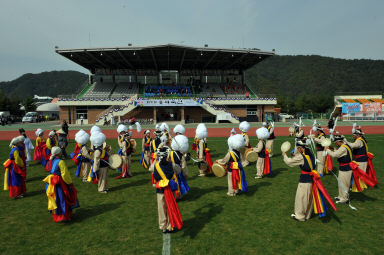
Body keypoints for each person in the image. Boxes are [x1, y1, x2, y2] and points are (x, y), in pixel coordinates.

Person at [282, 140, 336, 221]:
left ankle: (300, 216)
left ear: (301, 148)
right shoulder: (312, 156)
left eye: (298, 148)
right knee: (309, 198)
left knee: (301, 198)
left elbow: (289, 162)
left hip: (304, 180)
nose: (298, 150)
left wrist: (284, 155)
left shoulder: (301, 157)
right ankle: (307, 215)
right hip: (311, 180)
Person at [325, 134, 376, 204]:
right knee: (341, 182)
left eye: (336, 142)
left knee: (344, 184)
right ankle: (340, 196)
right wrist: (333, 149)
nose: (336, 144)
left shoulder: (343, 148)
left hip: (345, 168)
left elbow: (335, 155)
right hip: (344, 167)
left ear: (339, 141)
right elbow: (339, 152)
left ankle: (344, 199)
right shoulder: (345, 146)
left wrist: (327, 150)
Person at [152, 146, 183, 233]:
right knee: (170, 207)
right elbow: (179, 170)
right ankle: (170, 225)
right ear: (167, 155)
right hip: (170, 189)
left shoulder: (156, 165)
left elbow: (153, 173)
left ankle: (163, 226)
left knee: (161, 208)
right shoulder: (171, 164)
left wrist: (155, 160)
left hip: (160, 190)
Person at [43, 147, 79, 222]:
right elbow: (65, 174)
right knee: (63, 197)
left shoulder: (49, 161)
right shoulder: (60, 162)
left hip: (52, 183)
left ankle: (57, 216)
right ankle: (65, 216)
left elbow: (48, 170)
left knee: (56, 198)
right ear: (59, 153)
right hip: (60, 182)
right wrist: (69, 183)